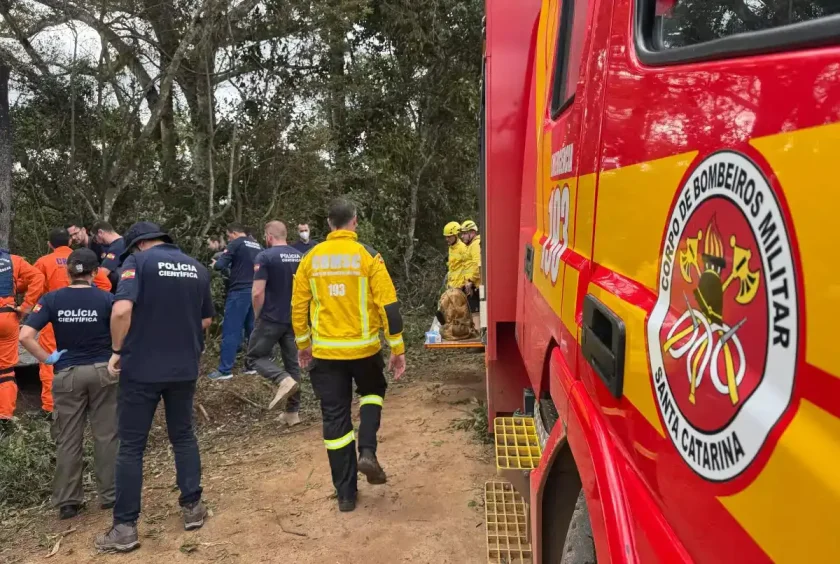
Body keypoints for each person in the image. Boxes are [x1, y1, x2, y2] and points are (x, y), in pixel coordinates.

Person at [95, 222, 214, 553]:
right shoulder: (197, 267)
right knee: (184, 437)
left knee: (132, 446)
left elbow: (121, 310)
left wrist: (117, 350)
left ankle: (124, 528)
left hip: (142, 368)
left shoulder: (137, 264)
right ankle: (193, 507)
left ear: (138, 245)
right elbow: (206, 320)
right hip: (184, 367)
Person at [291, 198, 407, 512]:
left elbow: (298, 308)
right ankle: (367, 449)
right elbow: (389, 307)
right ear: (354, 221)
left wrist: (303, 345)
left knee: (335, 418)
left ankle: (345, 495)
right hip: (365, 350)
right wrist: (397, 348)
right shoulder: (368, 256)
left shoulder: (310, 259)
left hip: (326, 355)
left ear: (329, 224)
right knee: (372, 392)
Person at [20, 248, 118, 520]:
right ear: (95, 272)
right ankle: (110, 495)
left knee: (68, 437)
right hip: (103, 371)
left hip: (67, 373)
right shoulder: (107, 299)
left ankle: (68, 502)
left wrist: (48, 359)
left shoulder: (51, 299)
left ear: (67, 272)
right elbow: (125, 326)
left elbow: (26, 335)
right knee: (106, 434)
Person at [34, 228, 112, 417]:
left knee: (49, 364)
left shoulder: (43, 262)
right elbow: (106, 285)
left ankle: (50, 407)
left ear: (49, 244)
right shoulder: (85, 260)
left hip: (53, 320)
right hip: (89, 319)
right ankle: (89, 405)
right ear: (70, 242)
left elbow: (35, 287)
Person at [246, 221, 302, 421]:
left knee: (254, 357)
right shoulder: (299, 256)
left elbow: (257, 292)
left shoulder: (265, 256)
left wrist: (257, 315)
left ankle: (282, 379)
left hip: (271, 317)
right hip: (294, 318)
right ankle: (292, 413)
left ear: (269, 236)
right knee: (293, 364)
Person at [208, 223, 262, 380]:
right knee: (251, 329)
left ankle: (225, 370)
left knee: (231, 329)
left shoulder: (236, 243)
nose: (228, 238)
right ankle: (252, 366)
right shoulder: (257, 245)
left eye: (228, 235)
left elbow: (220, 265)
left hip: (239, 291)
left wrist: (215, 265)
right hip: (255, 291)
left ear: (233, 233)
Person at [0, 250, 44, 432]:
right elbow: (38, 277)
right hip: (6, 317)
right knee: (6, 370)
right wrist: (26, 307)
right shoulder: (13, 260)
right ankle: (4, 417)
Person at [91, 221, 126, 292]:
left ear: (100, 232)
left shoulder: (117, 247)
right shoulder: (123, 241)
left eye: (95, 237)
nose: (96, 241)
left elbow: (103, 272)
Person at [460, 219, 482, 313]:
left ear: (472, 233)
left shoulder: (475, 245)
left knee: (475, 315)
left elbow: (477, 265)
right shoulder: (471, 245)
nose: (462, 236)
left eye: (465, 233)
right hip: (471, 286)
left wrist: (470, 281)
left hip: (475, 286)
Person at [443, 221, 468, 290]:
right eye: (446, 237)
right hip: (451, 286)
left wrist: (465, 284)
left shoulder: (463, 248)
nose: (447, 239)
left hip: (460, 287)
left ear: (456, 235)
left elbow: (468, 267)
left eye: (449, 237)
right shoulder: (451, 248)